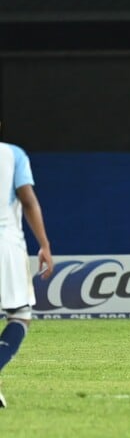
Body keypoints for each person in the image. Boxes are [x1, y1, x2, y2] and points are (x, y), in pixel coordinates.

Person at [0, 121, 54, 409]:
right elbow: (29, 201)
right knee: (20, 315)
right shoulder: (12, 155)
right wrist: (44, 245)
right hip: (5, 245)